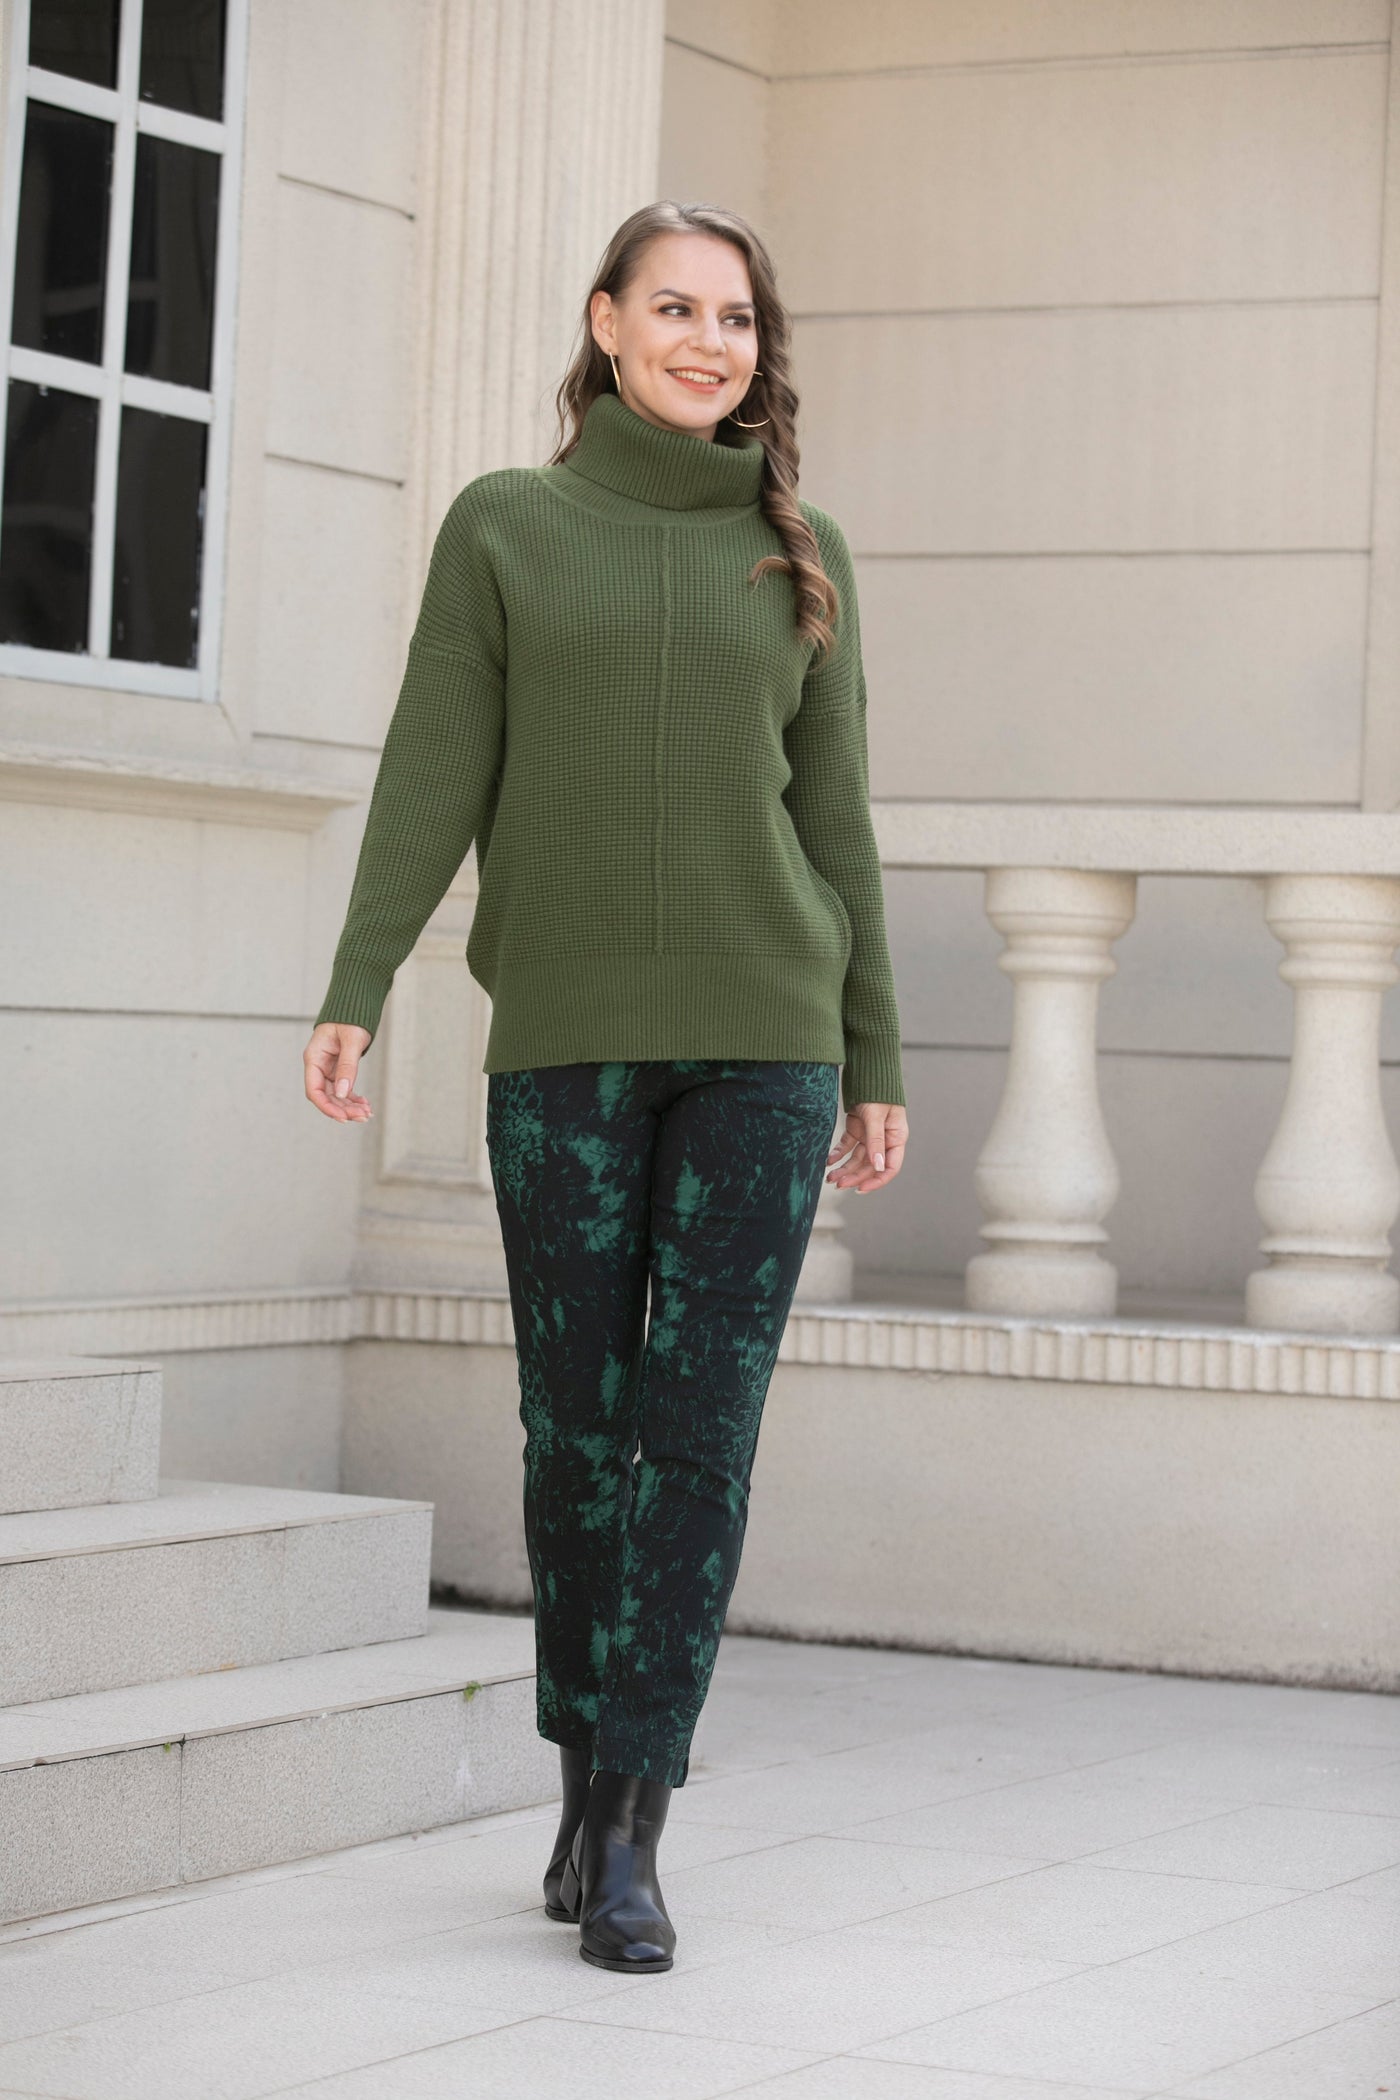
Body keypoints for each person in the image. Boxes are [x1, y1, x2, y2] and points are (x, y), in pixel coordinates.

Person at [302, 199, 909, 1975]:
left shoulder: (802, 552)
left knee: (697, 1440)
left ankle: (637, 1826)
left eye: (738, 317)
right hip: (564, 1042)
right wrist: (357, 981)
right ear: (608, 322)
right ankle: (581, 1783)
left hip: (766, 1046)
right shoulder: (508, 524)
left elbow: (839, 821)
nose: (711, 341)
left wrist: (874, 1050)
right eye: (677, 309)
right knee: (576, 1429)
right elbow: (435, 762)